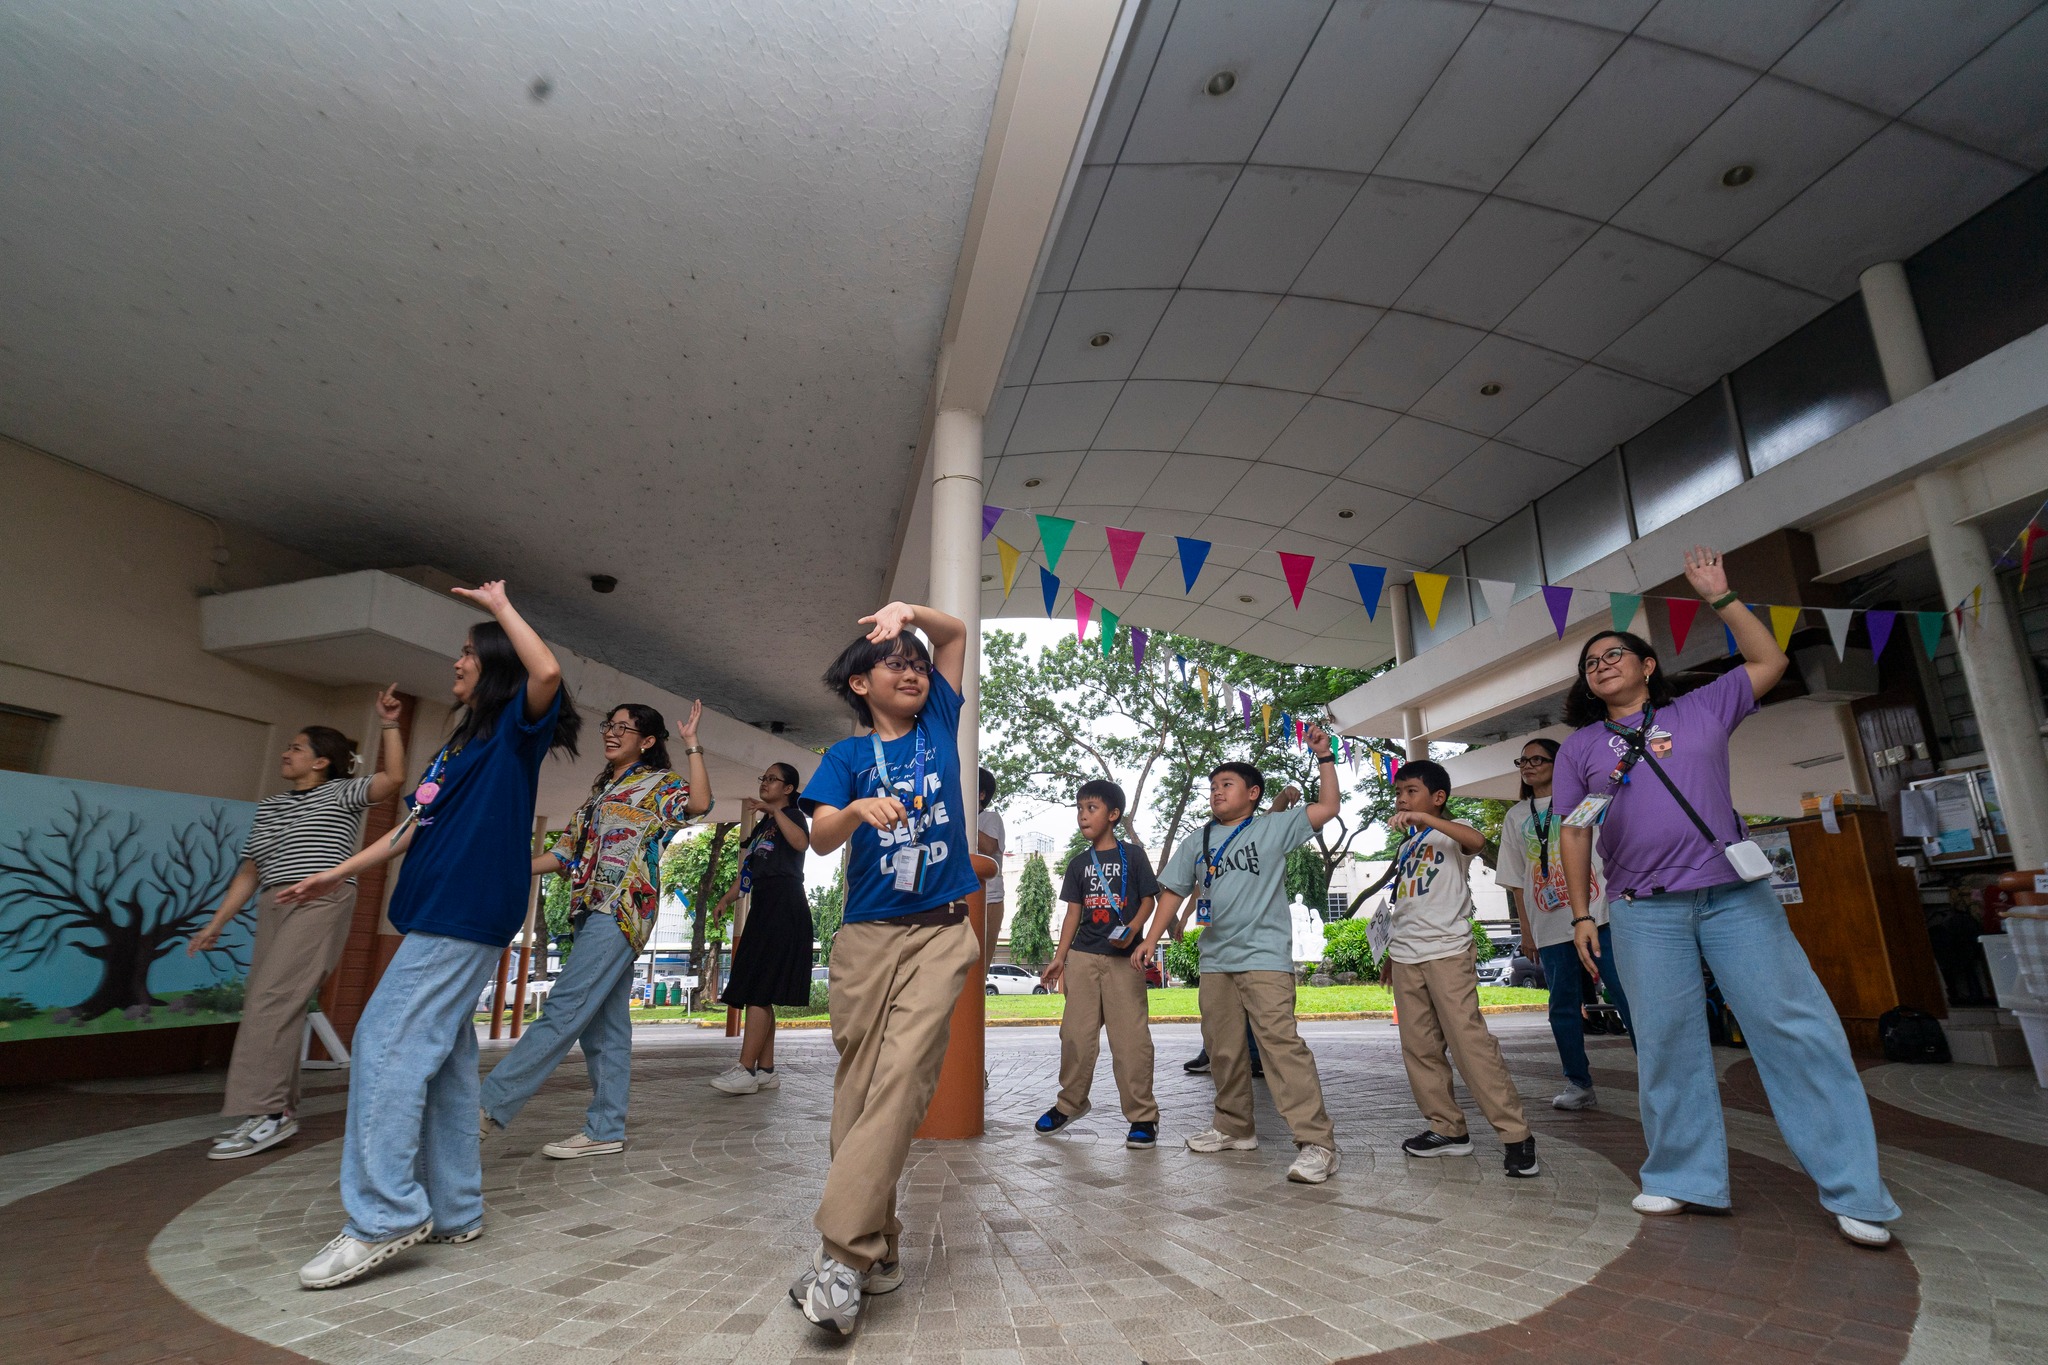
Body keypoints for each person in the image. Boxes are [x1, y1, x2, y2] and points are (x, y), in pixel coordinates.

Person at [1555, 546, 1900, 1248]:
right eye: (1591, 662)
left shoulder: (1703, 707)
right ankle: (1683, 1175)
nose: (1602, 664)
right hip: (1644, 909)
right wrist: (1583, 912)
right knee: (1665, 1042)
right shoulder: (1580, 747)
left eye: (1615, 653)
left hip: (1734, 899)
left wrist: (1720, 596)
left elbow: (1768, 660)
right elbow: (1574, 830)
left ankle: (1856, 1190)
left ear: (1648, 665)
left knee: (1797, 1030)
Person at [281, 581, 580, 1289]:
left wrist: (502, 606)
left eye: (468, 652)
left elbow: (546, 672)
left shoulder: (516, 731)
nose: (457, 662)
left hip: (463, 912)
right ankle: (454, 1207)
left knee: (384, 1042)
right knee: (443, 1059)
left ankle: (384, 1215)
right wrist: (334, 873)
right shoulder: (458, 746)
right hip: (438, 910)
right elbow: (410, 829)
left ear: (495, 665)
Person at [787, 601, 982, 1336]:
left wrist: (911, 613)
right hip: (866, 940)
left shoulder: (938, 726)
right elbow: (819, 838)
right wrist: (856, 809)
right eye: (895, 662)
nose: (913, 671)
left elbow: (954, 633)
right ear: (860, 683)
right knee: (857, 1096)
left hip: (940, 934)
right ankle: (881, 1249)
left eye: (917, 663)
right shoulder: (844, 758)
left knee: (901, 1079)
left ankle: (839, 1257)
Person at [479, 701, 710, 1154]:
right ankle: (606, 1129)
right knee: (605, 1028)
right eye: (610, 725)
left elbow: (700, 804)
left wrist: (692, 745)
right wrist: (508, 868)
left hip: (623, 907)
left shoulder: (659, 783)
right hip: (588, 908)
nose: (612, 733)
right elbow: (563, 853)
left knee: (564, 1007)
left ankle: (486, 1107)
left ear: (647, 741)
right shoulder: (600, 793)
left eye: (624, 728)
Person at [188, 692, 409, 1159]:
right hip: (274, 901)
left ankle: (268, 1115)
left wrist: (390, 724)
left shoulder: (341, 792)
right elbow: (250, 870)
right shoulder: (271, 806)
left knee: (272, 1002)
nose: (286, 754)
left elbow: (393, 779)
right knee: (269, 1004)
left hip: (321, 898)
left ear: (321, 761)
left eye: (296, 748)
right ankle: (279, 1109)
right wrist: (217, 922)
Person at [1136, 741, 1342, 1184]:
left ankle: (1317, 1143)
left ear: (1252, 793)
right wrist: (1151, 938)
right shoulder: (1198, 839)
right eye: (1212, 785)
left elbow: (1328, 807)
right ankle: (1234, 1128)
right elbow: (1173, 890)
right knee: (1223, 1049)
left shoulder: (1273, 828)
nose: (1216, 791)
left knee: (1281, 1047)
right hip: (1215, 960)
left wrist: (1324, 757)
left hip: (1264, 957)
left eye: (1226, 784)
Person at [1380, 760, 1538, 1178]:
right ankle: (1447, 1129)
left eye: (1411, 791)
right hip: (1407, 956)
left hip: (1447, 952)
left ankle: (1516, 1136)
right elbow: (1406, 903)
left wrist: (1427, 819)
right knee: (1420, 1048)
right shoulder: (1407, 846)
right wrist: (1391, 954)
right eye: (1399, 793)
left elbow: (1477, 840)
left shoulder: (1453, 831)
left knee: (1470, 1044)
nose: (1402, 800)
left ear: (1438, 797)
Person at [1496, 737, 1634, 1111]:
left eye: (1537, 759)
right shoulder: (1516, 816)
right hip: (1549, 923)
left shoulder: (1587, 802)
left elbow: (1616, 845)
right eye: (1523, 761)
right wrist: (1527, 931)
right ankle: (1578, 1083)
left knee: (1626, 994)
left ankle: (1657, 1074)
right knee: (1562, 1006)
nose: (1528, 766)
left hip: (1599, 915)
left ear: (1560, 763)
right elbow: (1515, 879)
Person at [1037, 779, 1161, 1148]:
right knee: (1075, 1036)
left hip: (1125, 961)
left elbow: (1149, 900)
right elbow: (1073, 914)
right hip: (1083, 957)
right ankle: (1070, 1104)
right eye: (1079, 809)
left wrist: (1134, 930)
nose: (1083, 816)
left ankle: (1142, 1117)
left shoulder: (1134, 857)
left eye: (1091, 808)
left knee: (1131, 1042)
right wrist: (1060, 958)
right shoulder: (1078, 863)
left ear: (1113, 815)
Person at [711, 762, 812, 1095]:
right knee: (761, 990)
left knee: (759, 988)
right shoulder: (761, 828)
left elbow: (801, 843)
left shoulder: (793, 816)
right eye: (763, 778)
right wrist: (727, 898)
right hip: (763, 906)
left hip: (785, 905)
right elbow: (748, 872)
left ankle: (746, 1069)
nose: (765, 783)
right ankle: (766, 1070)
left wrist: (775, 811)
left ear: (788, 788)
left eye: (772, 779)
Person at [976, 767, 1005, 969]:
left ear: (982, 794)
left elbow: (988, 848)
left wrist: (962, 817)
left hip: (989, 899)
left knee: (979, 965)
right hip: (957, 897)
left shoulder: (991, 818)